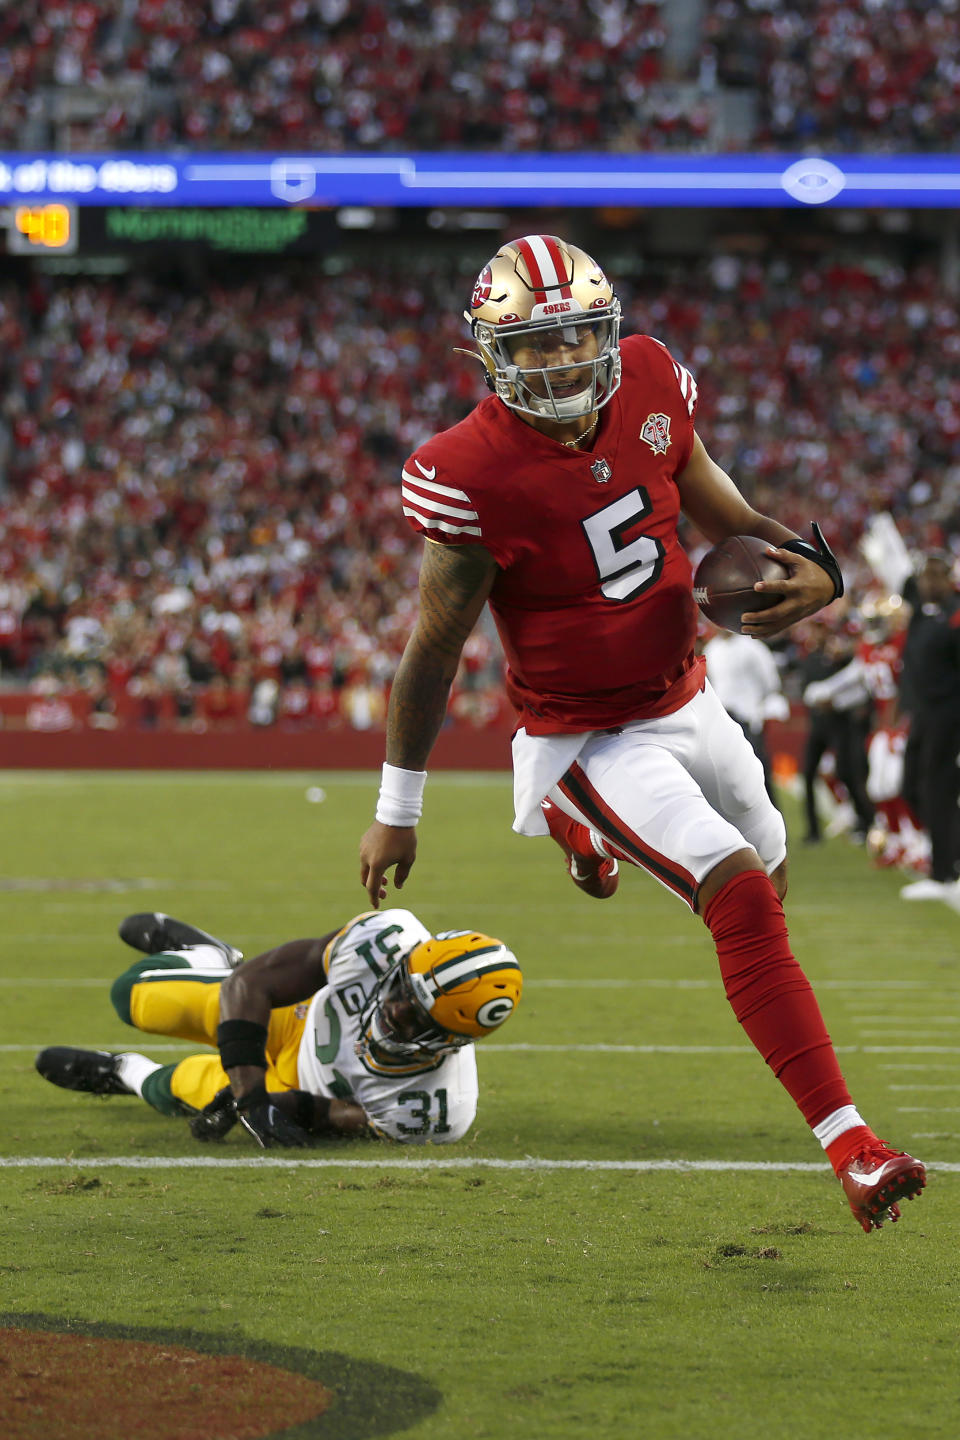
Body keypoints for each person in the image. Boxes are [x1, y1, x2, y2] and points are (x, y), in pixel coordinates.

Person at [358, 233, 925, 1232]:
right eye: (534, 346)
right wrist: (396, 809)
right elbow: (434, 649)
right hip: (587, 737)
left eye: (577, 338)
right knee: (740, 895)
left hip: (691, 697)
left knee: (774, 879)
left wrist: (817, 568)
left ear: (609, 335)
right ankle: (854, 1148)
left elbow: (724, 515)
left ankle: (587, 839)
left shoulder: (655, 382)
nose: (561, 361)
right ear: (489, 355)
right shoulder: (467, 469)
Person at [36, 909, 522, 1147]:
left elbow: (338, 1115)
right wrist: (251, 1096)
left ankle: (124, 1073)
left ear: (455, 1042)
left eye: (417, 1016)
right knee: (136, 996)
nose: (395, 1010)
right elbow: (255, 984)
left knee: (187, 1087)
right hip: (294, 1013)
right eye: (401, 990)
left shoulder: (438, 1109)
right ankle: (213, 956)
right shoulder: (388, 939)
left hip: (297, 1083)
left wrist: (263, 1103)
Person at [897, 552, 960, 907]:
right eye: (925, 576)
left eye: (936, 576)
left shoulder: (955, 616)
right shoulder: (922, 611)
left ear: (949, 579)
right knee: (911, 787)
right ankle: (950, 851)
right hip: (922, 715)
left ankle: (943, 872)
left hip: (948, 717)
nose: (928, 582)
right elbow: (900, 575)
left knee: (939, 791)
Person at [701, 623, 789, 802]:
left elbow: (770, 683)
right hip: (724, 718)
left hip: (749, 717)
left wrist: (759, 710)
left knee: (758, 772)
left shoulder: (753, 647)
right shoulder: (711, 649)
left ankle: (770, 815)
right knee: (729, 776)